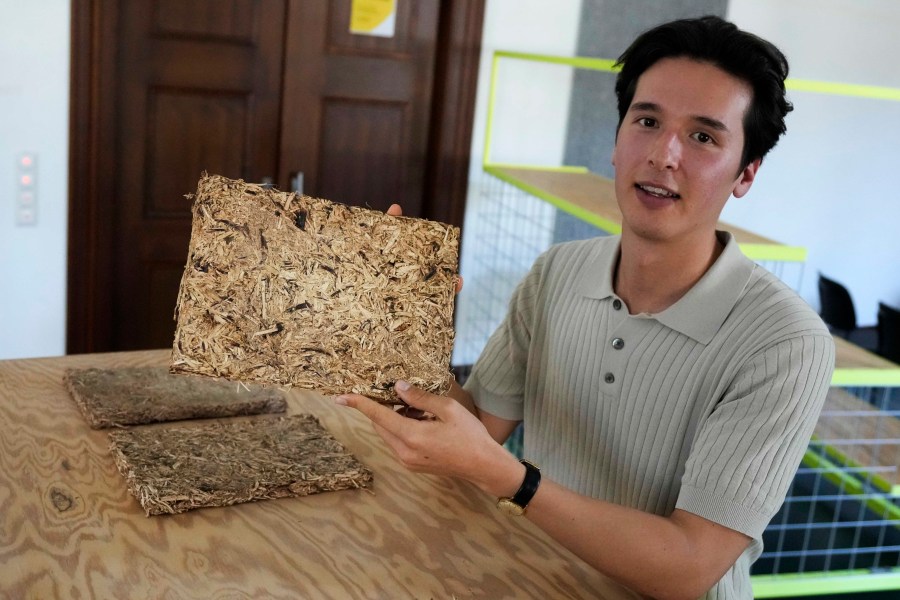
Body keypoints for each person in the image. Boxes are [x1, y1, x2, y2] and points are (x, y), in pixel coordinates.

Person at [336, 15, 834, 600]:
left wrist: (514, 483)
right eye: (647, 121)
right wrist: (393, 325)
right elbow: (475, 429)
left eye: (703, 137)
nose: (663, 154)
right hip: (539, 577)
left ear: (746, 173)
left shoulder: (785, 343)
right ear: (618, 140)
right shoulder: (557, 271)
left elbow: (690, 567)